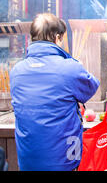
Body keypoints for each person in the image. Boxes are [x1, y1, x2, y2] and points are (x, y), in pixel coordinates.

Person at [10, 13, 99, 171]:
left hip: (27, 159)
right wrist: (78, 65)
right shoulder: (69, 68)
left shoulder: (16, 71)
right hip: (64, 159)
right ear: (58, 37)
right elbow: (91, 87)